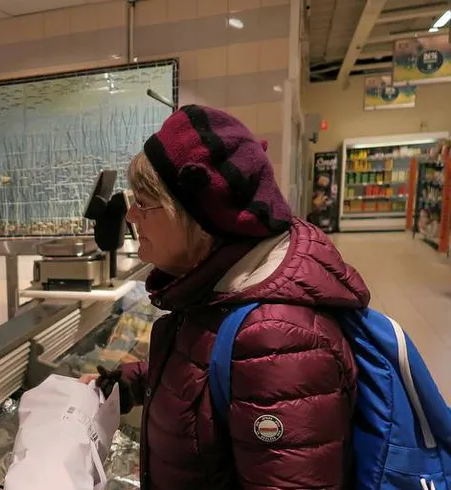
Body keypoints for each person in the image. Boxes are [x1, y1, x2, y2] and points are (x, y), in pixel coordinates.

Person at [87, 105, 369, 489]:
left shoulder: (275, 339)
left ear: (198, 220)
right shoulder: (219, 290)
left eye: (144, 202)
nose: (132, 216)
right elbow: (208, 370)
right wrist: (127, 384)